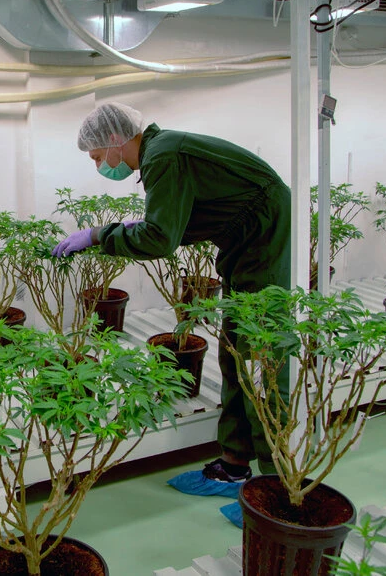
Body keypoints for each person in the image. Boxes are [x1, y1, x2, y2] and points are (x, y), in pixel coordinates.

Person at [52, 102, 290, 484]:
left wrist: (101, 234)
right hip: (246, 237)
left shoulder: (163, 156)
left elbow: (160, 240)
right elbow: (177, 221)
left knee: (259, 352)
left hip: (260, 234)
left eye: (97, 157)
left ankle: (276, 479)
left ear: (115, 139)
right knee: (234, 348)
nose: (99, 165)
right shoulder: (162, 152)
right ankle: (234, 463)